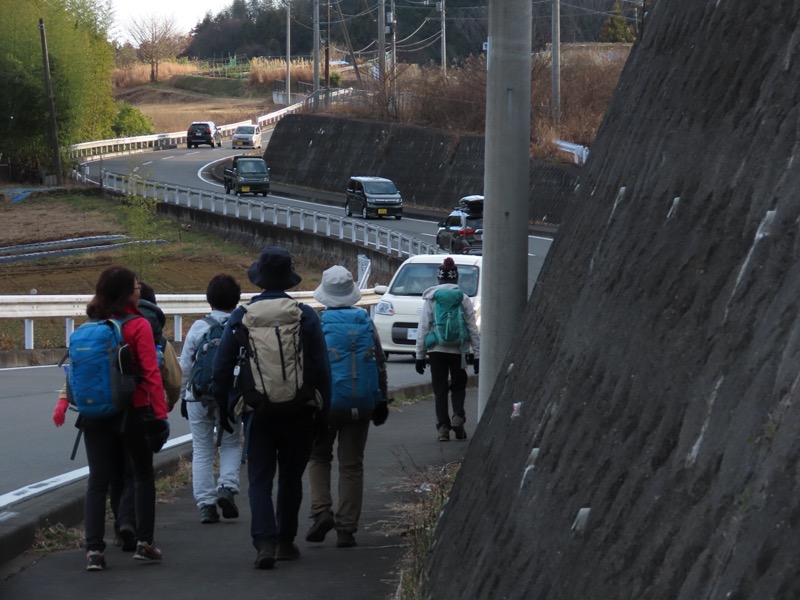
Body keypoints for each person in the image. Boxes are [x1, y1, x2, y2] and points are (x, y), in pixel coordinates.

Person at [213, 247, 331, 570]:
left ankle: (263, 541)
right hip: (299, 410)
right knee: (291, 477)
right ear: (289, 280)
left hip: (258, 411)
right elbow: (321, 367)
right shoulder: (305, 315)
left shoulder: (242, 316)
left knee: (260, 478)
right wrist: (323, 411)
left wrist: (224, 407)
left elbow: (222, 367)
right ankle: (284, 541)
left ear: (261, 280)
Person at [52, 265, 169, 570]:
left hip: (94, 413)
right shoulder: (139, 325)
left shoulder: (92, 325)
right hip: (133, 410)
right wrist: (159, 415)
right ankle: (144, 544)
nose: (139, 290)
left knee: (98, 481)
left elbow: (76, 373)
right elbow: (151, 375)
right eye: (135, 286)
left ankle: (93, 551)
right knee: (142, 476)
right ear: (125, 293)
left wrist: (66, 403)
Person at [306, 265, 389, 549]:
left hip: (327, 404)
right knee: (352, 465)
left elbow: (309, 366)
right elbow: (379, 362)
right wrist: (381, 401)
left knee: (319, 456)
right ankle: (347, 528)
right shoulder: (365, 321)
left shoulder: (318, 322)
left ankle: (321, 511)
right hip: (361, 402)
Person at [179, 274, 243, 524]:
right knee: (230, 443)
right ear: (236, 300)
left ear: (209, 300)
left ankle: (206, 504)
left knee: (202, 450)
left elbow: (185, 365)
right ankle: (226, 487)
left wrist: (183, 395)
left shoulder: (199, 327)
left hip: (198, 397)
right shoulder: (241, 325)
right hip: (230, 396)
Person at [414, 257, 480, 442]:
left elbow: (423, 327)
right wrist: (477, 355)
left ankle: (442, 429)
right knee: (458, 387)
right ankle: (458, 417)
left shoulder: (432, 298)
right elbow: (472, 328)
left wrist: (420, 355)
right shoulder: (463, 299)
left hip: (436, 350)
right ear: (456, 279)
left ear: (439, 279)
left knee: (440, 390)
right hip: (458, 351)